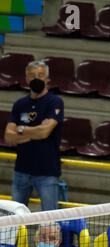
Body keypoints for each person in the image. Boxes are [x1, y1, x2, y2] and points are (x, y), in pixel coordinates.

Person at [3, 60, 64, 211]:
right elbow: (8, 136)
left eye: (41, 75)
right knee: (13, 220)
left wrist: (21, 129)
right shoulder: (20, 104)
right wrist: (35, 132)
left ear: (47, 78)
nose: (36, 78)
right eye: (32, 75)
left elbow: (45, 132)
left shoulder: (55, 102)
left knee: (50, 221)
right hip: (21, 171)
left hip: (47, 172)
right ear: (26, 78)